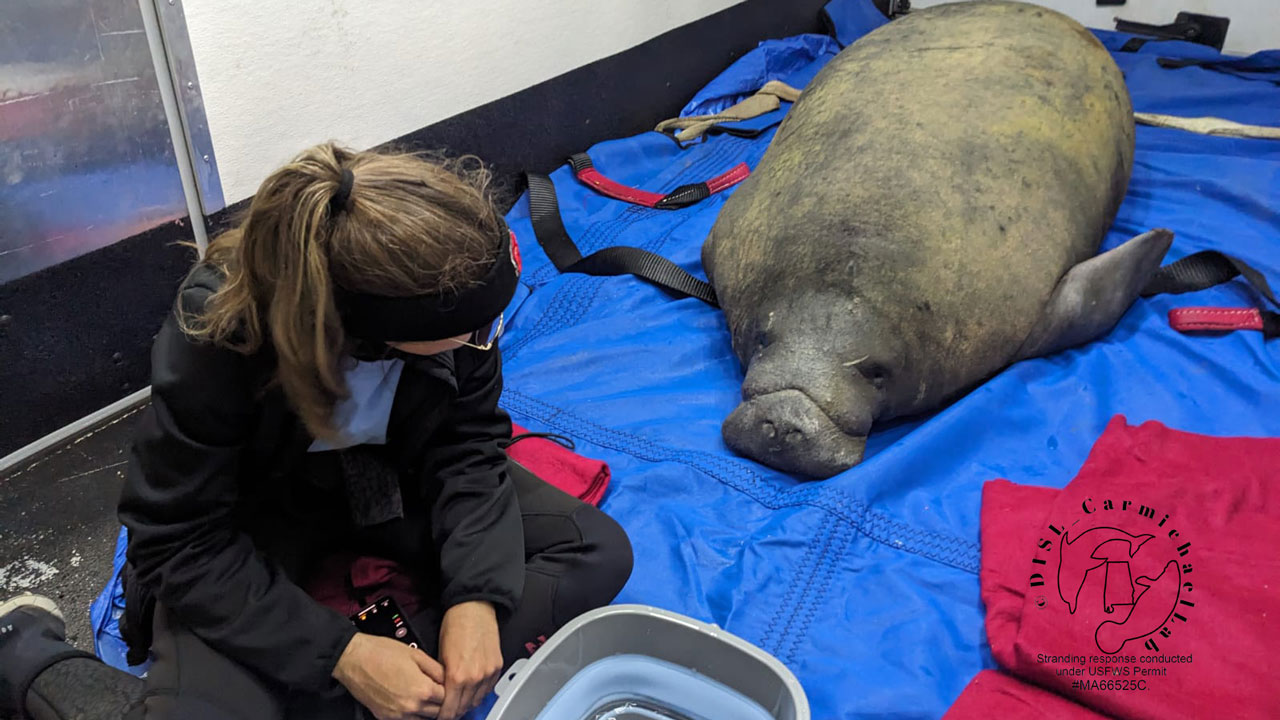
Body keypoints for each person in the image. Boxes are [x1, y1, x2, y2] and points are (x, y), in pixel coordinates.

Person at [0, 142, 634, 720]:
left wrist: (478, 600)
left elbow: (468, 449)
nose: (483, 341)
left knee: (596, 551)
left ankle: (382, 689)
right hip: (258, 517)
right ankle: (23, 649)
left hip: (386, 481)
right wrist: (342, 655)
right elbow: (177, 542)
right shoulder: (220, 335)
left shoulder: (457, 307)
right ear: (366, 329)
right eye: (473, 331)